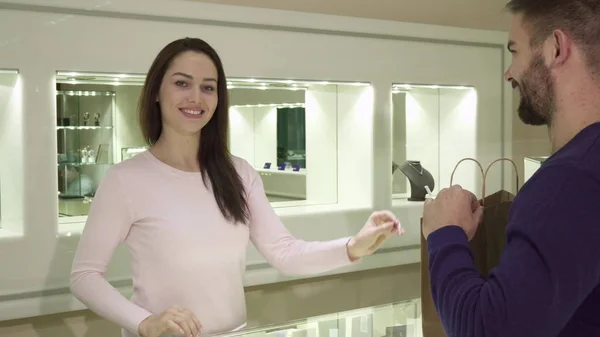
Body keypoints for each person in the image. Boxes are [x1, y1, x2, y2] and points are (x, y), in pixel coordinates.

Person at [69, 37, 404, 337]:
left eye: (208, 87)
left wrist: (353, 247)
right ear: (157, 91)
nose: (195, 97)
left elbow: (284, 252)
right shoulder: (126, 179)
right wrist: (144, 322)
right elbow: (85, 275)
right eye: (182, 83)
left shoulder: (239, 173)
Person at [421, 1, 600, 336]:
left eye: (515, 51)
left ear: (556, 48)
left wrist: (445, 234)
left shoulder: (570, 180)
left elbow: (488, 329)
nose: (509, 72)